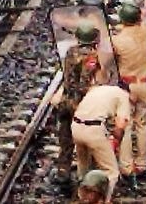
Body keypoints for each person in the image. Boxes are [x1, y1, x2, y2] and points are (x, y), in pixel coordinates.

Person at [52, 22, 103, 187]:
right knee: (87, 139)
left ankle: (63, 170)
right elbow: (84, 82)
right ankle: (89, 173)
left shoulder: (70, 51)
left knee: (65, 139)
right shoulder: (92, 57)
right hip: (80, 104)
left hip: (66, 101)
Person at [109, 1, 146, 189]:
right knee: (143, 124)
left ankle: (127, 166)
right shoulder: (145, 30)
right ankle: (142, 163)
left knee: (125, 126)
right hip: (145, 83)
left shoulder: (117, 41)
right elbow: (141, 20)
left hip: (127, 86)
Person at [71, 82, 130, 195]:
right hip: (93, 130)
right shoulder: (123, 95)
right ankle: (106, 199)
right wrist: (116, 143)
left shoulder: (97, 89)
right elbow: (120, 125)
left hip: (76, 126)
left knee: (83, 167)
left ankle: (81, 197)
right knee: (111, 171)